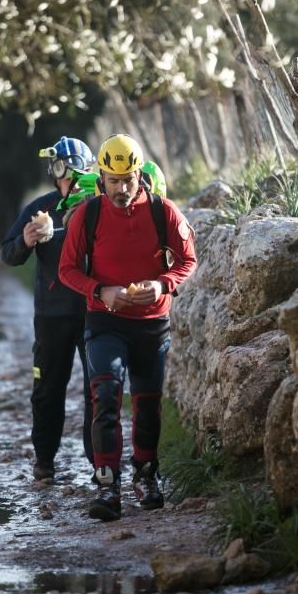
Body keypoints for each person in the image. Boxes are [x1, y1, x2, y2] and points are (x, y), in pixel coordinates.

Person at [58, 134, 197, 521]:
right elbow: (67, 269)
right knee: (105, 393)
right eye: (113, 180)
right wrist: (101, 290)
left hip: (152, 323)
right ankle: (107, 483)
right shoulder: (88, 216)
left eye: (128, 179)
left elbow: (188, 259)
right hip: (104, 319)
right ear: (101, 176)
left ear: (140, 174)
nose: (121, 189)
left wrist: (162, 284)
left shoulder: (163, 212)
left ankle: (146, 475)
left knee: (148, 403)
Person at [0, 136, 97, 481]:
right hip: (52, 316)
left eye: (73, 171)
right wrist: (27, 240)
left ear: (88, 172)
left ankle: (99, 464)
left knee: (98, 389)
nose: (67, 179)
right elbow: (8, 253)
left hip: (95, 313)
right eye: (60, 171)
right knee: (47, 391)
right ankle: (44, 461)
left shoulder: (100, 207)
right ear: (53, 174)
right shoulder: (40, 209)